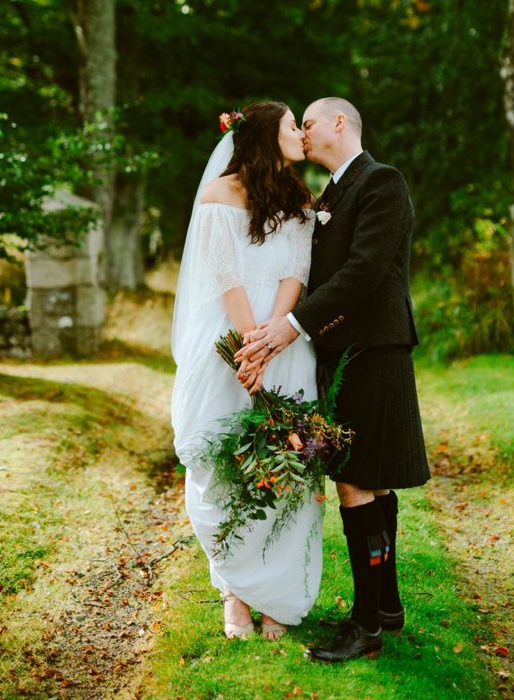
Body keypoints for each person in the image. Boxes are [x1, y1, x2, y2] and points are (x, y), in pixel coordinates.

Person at [237, 97, 431, 661]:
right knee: (372, 480)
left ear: (339, 123)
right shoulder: (332, 193)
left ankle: (365, 626)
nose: (302, 133)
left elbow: (364, 270)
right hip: (346, 351)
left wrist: (290, 326)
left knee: (355, 482)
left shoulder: (382, 182)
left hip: (372, 350)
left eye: (310, 122)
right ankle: (385, 606)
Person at [170, 102, 321, 641]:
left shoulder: (301, 199)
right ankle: (235, 592)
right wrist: (247, 346)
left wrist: (273, 334)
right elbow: (225, 276)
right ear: (263, 135)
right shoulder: (217, 195)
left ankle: (278, 596)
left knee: (288, 463)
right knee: (223, 463)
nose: (301, 134)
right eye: (290, 126)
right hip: (228, 338)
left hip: (284, 341)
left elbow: (296, 270)